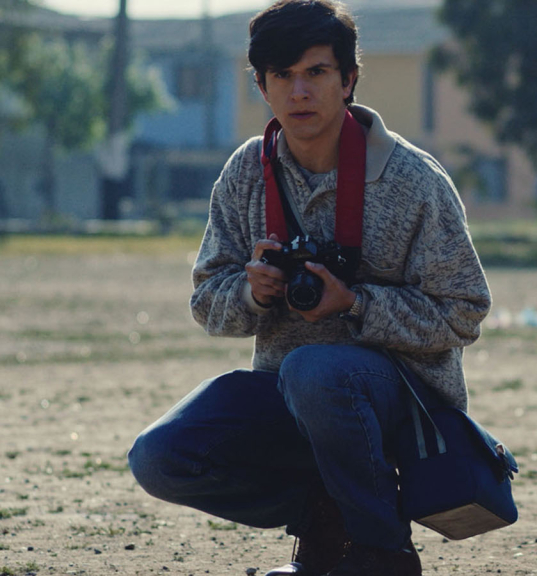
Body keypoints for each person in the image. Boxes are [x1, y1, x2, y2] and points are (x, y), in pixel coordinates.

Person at [126, 1, 491, 574]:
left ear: (348, 80)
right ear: (261, 86)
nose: (299, 91)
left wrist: (357, 304)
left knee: (314, 370)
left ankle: (382, 552)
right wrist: (252, 293)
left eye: (317, 72)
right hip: (289, 395)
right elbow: (206, 301)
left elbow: (464, 311)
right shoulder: (247, 172)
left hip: (403, 403)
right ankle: (325, 519)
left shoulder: (411, 178)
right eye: (282, 75)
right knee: (160, 455)